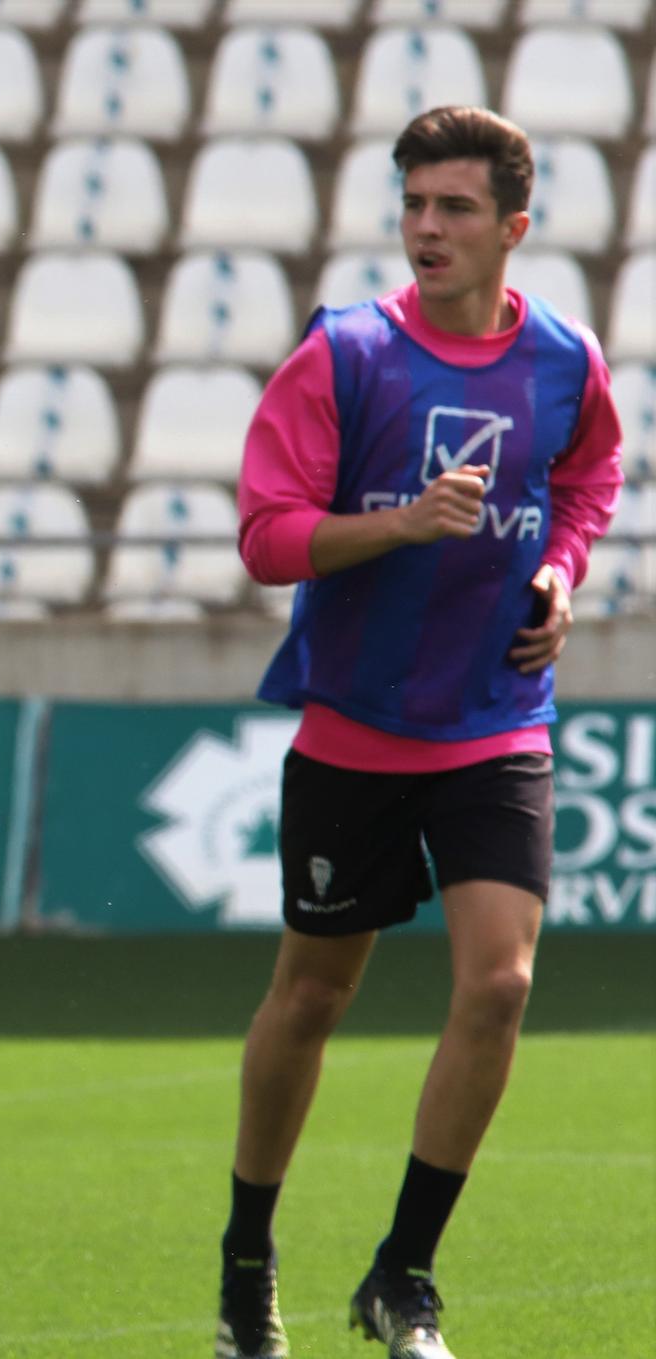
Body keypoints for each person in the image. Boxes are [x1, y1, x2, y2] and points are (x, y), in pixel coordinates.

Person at [217, 107, 623, 1359]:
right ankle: (245, 1265)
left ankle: (403, 1275)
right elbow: (264, 535)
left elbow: (585, 477)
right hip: (355, 729)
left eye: (452, 208)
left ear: (512, 227)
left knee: (499, 982)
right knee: (309, 998)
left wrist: (558, 574)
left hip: (495, 722)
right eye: (411, 205)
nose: (425, 229)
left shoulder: (563, 357)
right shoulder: (341, 356)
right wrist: (395, 524)